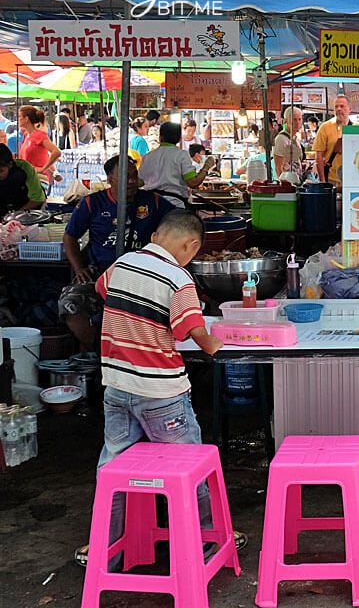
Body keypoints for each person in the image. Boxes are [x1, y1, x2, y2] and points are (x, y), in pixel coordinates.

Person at [74, 210, 243, 569]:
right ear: (191, 245)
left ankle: (110, 551)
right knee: (189, 469)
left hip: (117, 387)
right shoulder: (178, 279)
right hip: (161, 393)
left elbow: (105, 291)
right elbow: (192, 332)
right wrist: (213, 342)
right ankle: (203, 545)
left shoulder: (122, 263)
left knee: (114, 469)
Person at [60, 156, 172, 353]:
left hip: (143, 276)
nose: (131, 182)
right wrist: (79, 268)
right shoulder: (91, 203)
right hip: (100, 274)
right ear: (109, 179)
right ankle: (99, 349)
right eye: (124, 177)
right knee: (70, 303)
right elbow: (69, 237)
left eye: (134, 176)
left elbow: (178, 223)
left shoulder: (153, 202)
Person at [140, 122, 217, 207]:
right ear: (180, 138)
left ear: (160, 137)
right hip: (174, 205)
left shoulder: (147, 156)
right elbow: (193, 182)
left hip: (150, 203)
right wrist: (206, 166)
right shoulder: (181, 155)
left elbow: (140, 182)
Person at [312, 96, 350, 183]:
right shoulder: (325, 127)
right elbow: (319, 156)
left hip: (352, 178)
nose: (339, 109)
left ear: (349, 109)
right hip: (331, 178)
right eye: (336, 107)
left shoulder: (357, 127)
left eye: (342, 106)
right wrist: (322, 180)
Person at [0, 143, 46, 214]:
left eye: (1, 171)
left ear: (10, 164)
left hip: (29, 210)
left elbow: (37, 199)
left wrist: (15, 216)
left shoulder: (25, 168)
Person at [18, 105, 61, 180]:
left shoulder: (39, 135)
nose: (18, 119)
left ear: (26, 119)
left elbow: (56, 152)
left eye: (19, 116)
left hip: (37, 179)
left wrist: (43, 168)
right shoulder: (27, 135)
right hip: (28, 177)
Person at [273, 105, 304, 178]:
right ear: (286, 121)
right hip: (288, 183)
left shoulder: (295, 138)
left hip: (296, 182)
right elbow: (279, 168)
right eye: (294, 119)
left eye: (299, 119)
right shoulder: (281, 139)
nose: (297, 123)